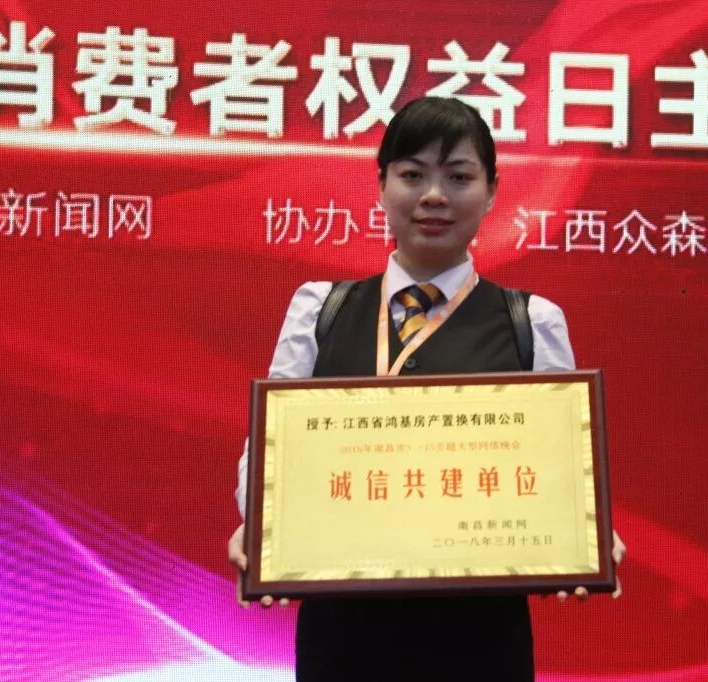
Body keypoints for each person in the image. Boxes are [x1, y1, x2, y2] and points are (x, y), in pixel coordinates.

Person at [228, 96, 623, 681]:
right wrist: (263, 524)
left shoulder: (530, 321)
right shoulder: (320, 310)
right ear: (382, 186)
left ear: (492, 191)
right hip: (345, 630)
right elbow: (271, 449)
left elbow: (558, 464)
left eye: (458, 177)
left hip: (479, 637)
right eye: (413, 175)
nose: (434, 196)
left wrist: (581, 530)